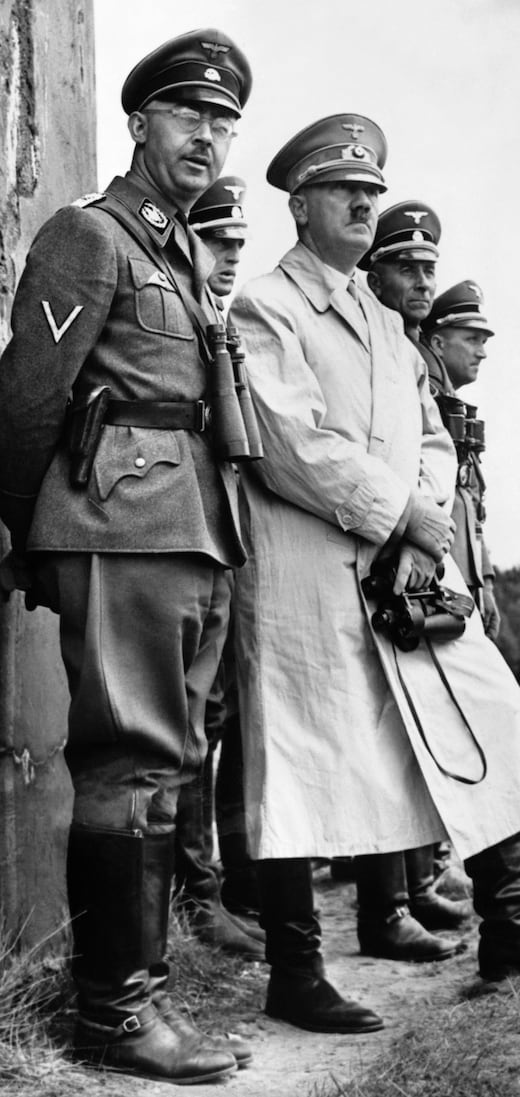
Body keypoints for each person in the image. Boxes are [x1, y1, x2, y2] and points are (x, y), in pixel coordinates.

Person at [228, 112, 520, 1037]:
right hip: (307, 571)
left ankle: (513, 922)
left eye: (371, 191)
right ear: (300, 206)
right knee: (299, 759)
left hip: (405, 571)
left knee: (487, 708)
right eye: (345, 193)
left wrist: (423, 522)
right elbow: (288, 442)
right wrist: (394, 508)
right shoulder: (267, 308)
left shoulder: (386, 325)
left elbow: (437, 438)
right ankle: (297, 969)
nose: (365, 205)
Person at [0, 29, 258, 1083]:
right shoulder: (90, 235)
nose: (208, 134)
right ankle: (113, 1011)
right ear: (139, 121)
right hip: (119, 527)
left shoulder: (181, 254)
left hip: (186, 533)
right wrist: (32, 532)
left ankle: (136, 991)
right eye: (189, 113)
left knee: (164, 766)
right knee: (127, 764)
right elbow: (26, 403)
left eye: (224, 120)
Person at [349, 200, 472, 962]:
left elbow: (436, 450)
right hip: (368, 546)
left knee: (409, 730)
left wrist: (424, 528)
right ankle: (386, 903)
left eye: (430, 266)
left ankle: (410, 884)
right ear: (376, 270)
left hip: (417, 548)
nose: (423, 278)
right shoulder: (371, 341)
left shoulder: (408, 352)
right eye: (407, 265)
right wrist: (405, 522)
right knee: (373, 735)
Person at [168, 176, 264, 959]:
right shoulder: (178, 320)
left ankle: (212, 892)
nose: (228, 258)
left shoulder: (221, 322)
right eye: (215, 242)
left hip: (220, 539)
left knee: (214, 724)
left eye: (238, 245)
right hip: (169, 536)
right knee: (177, 729)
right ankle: (194, 898)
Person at [421, 281, 500, 641]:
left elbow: (472, 503)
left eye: (482, 342)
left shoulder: (454, 409)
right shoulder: (424, 399)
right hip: (436, 576)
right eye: (471, 340)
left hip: (463, 580)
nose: (481, 352)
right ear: (437, 342)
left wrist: (486, 582)